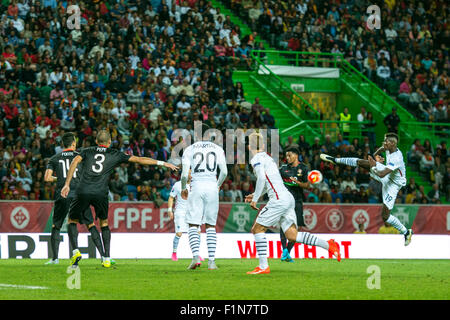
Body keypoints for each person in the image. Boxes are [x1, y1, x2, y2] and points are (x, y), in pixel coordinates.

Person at [61, 130, 178, 268]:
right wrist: (163, 163)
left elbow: (74, 161)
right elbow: (140, 159)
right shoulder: (115, 154)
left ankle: (75, 251)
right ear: (109, 142)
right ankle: (106, 258)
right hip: (101, 192)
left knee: (72, 220)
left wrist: (67, 184)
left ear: (96, 141)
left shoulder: (87, 151)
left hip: (83, 190)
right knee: (104, 223)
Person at [245, 133, 340, 275]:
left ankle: (263, 266)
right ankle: (329, 245)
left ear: (248, 147)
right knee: (292, 235)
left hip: (278, 200)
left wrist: (255, 199)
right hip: (288, 198)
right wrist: (256, 195)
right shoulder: (269, 159)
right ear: (263, 146)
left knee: (257, 229)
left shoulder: (256, 159)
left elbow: (261, 179)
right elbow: (269, 182)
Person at [321, 132, 413, 245]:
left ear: (393, 143)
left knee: (385, 216)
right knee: (361, 162)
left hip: (393, 184)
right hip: (387, 174)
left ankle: (405, 231)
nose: (384, 143)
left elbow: (381, 174)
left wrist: (374, 165)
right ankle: (335, 160)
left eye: (386, 142)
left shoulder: (396, 158)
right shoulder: (389, 148)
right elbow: (377, 154)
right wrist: (377, 156)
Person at [180, 122, 228, 270]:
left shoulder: (189, 150)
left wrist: (183, 188)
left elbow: (183, 175)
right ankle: (212, 262)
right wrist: (218, 185)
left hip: (197, 186)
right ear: (209, 135)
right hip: (212, 186)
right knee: (211, 225)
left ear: (196, 135)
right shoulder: (218, 149)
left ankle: (195, 257)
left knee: (193, 224)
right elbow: (225, 172)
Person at [43, 132, 92, 265]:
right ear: (74, 143)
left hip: (62, 194)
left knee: (56, 226)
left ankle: (55, 259)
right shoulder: (81, 157)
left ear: (62, 144)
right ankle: (102, 256)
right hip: (79, 195)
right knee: (78, 223)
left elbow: (47, 178)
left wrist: (60, 179)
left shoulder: (54, 158)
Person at [278, 147, 331, 262]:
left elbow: (307, 186)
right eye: (286, 156)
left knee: (296, 227)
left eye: (289, 155)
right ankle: (284, 251)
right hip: (284, 202)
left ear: (296, 156)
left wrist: (297, 183)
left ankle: (287, 251)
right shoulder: (282, 169)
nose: (287, 158)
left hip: (297, 201)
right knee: (284, 225)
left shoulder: (304, 168)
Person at [167, 170, 203, 262]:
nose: (191, 175)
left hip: (192, 213)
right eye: (189, 173)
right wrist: (169, 210)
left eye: (192, 173)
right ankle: (174, 253)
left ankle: (196, 254)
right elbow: (171, 197)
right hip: (180, 212)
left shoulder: (196, 185)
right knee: (179, 233)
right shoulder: (178, 185)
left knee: (198, 233)